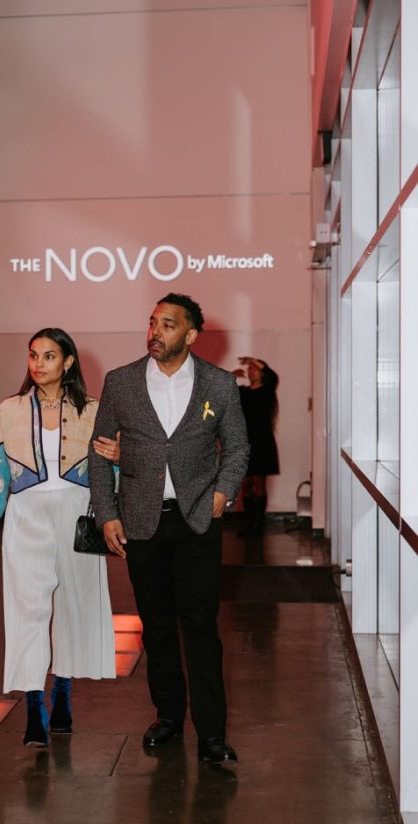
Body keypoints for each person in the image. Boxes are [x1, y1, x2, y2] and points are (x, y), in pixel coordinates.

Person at [89, 293, 249, 765]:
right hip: (141, 523)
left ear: (191, 334)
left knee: (200, 626)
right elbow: (100, 454)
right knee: (156, 628)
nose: (156, 332)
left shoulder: (218, 385)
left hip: (198, 520)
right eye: (153, 322)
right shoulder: (121, 382)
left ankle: (213, 733)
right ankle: (167, 717)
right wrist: (107, 514)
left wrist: (222, 494)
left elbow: (238, 448)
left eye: (168, 324)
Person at [0, 327, 116, 748]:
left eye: (49, 356)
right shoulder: (9, 410)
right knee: (26, 608)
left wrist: (117, 520)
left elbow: (112, 469)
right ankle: (35, 704)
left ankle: (62, 694)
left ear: (67, 362)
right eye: (33, 355)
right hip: (25, 514)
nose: (38, 363)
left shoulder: (92, 410)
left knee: (73, 606)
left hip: (77, 513)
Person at [232, 356, 279, 535]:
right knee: (245, 483)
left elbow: (273, 376)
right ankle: (249, 523)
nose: (251, 370)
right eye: (249, 368)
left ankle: (258, 525)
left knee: (259, 482)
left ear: (262, 373)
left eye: (255, 368)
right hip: (244, 443)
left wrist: (253, 359)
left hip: (262, 442)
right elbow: (218, 389)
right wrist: (231, 375)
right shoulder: (243, 392)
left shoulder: (267, 390)